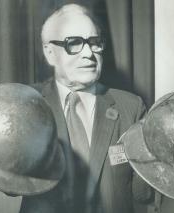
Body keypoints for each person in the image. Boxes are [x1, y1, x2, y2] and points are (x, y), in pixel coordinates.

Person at [19, 3, 152, 213]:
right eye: (74, 43)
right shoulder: (25, 103)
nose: (89, 53)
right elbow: (10, 182)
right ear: (50, 53)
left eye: (95, 42)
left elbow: (144, 193)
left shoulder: (132, 107)